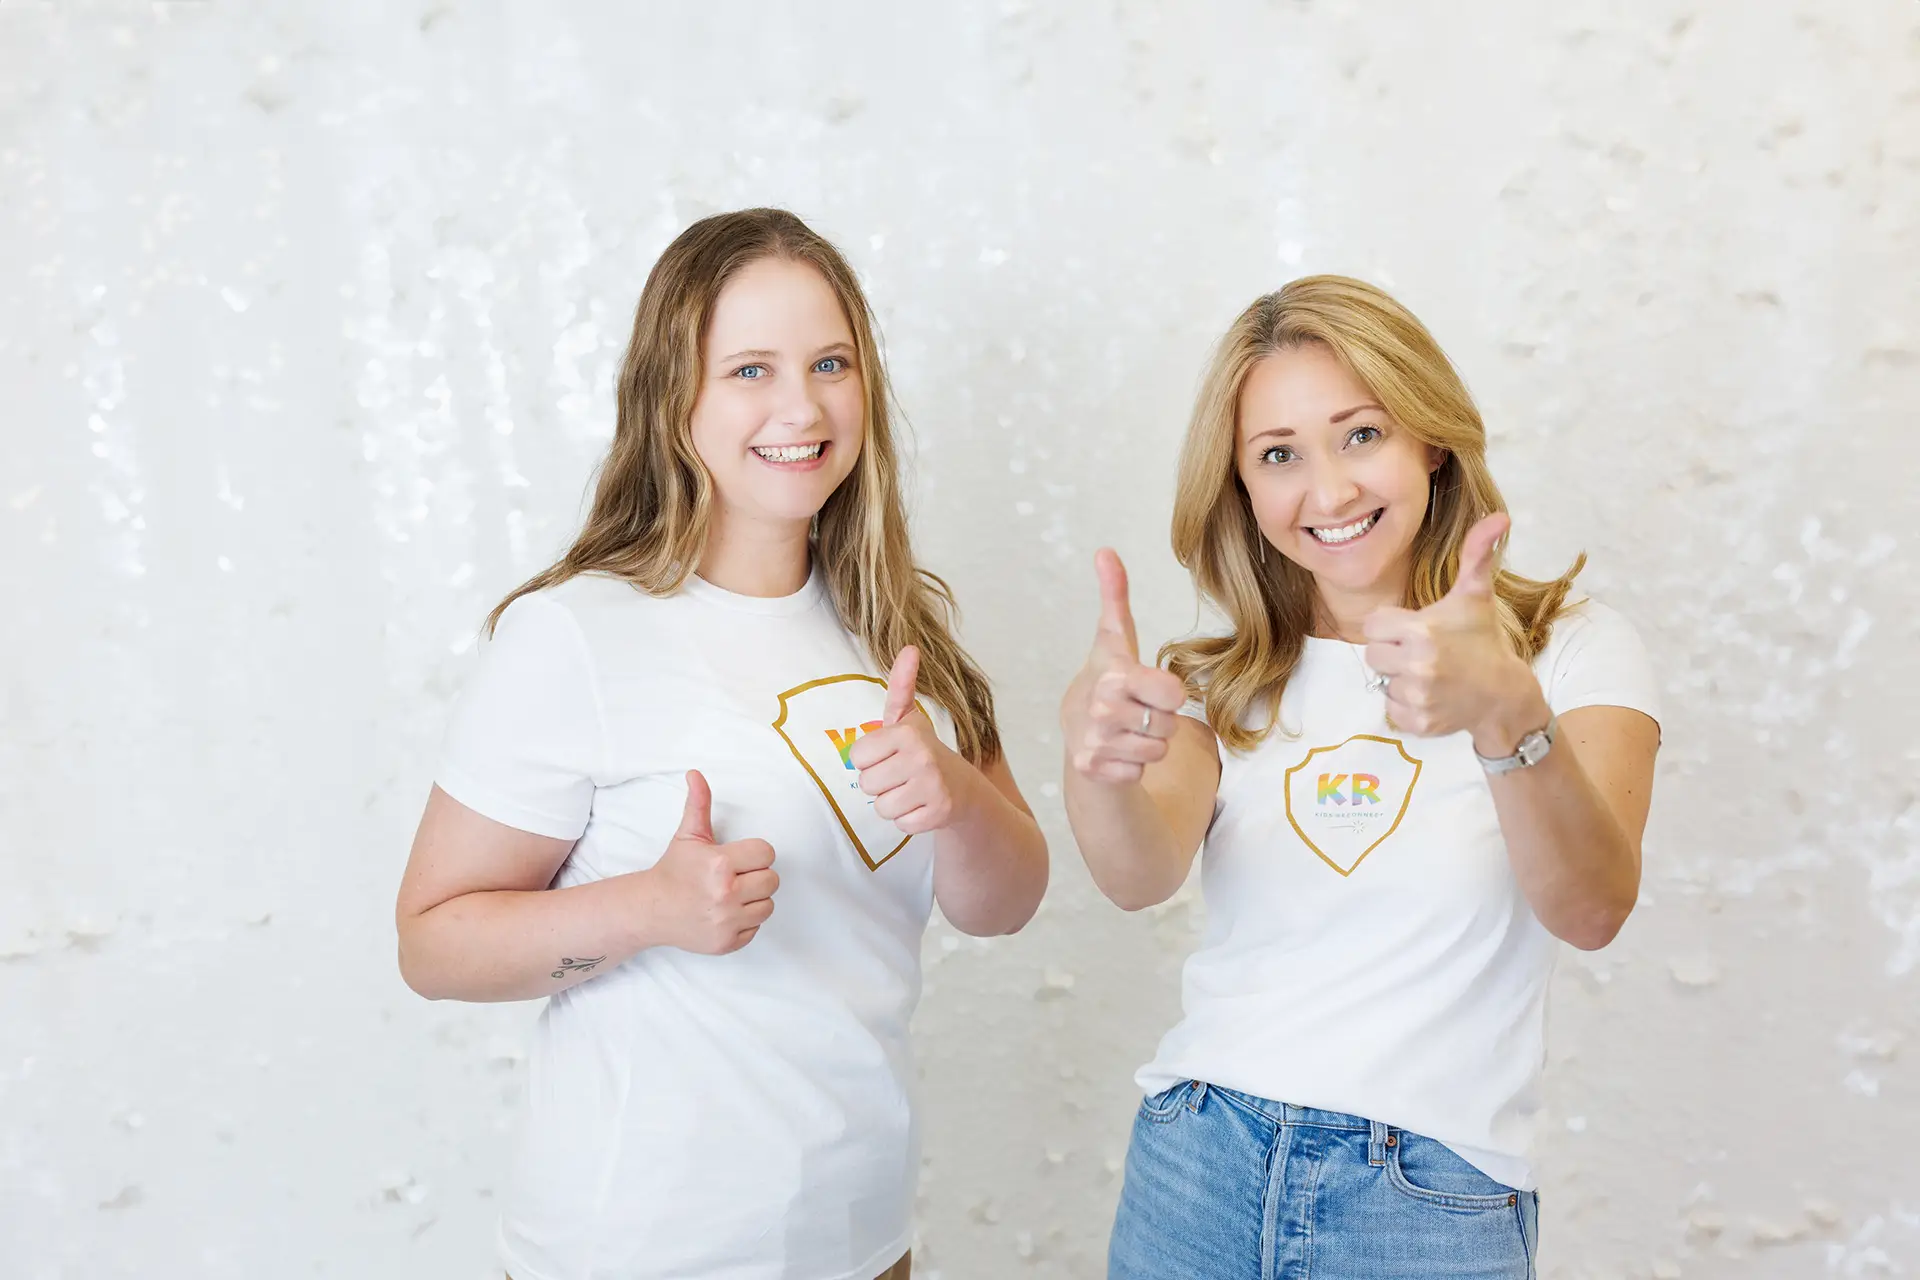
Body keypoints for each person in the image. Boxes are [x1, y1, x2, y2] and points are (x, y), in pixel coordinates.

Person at [395, 208, 1049, 1280]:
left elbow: (1007, 900)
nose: (801, 405)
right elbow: (432, 941)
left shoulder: (897, 624)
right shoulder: (579, 630)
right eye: (750, 368)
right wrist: (649, 908)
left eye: (830, 361)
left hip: (864, 1244)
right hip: (636, 1250)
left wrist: (956, 796)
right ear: (674, 396)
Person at [1060, 275, 1661, 1278]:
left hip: (1425, 1197)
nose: (1328, 490)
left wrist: (1506, 712)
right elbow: (1136, 872)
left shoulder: (1572, 650)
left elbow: (1593, 904)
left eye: (1361, 433)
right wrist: (1096, 762)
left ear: (1429, 436)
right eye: (1279, 455)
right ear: (1243, 486)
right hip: (1199, 1162)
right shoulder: (1223, 680)